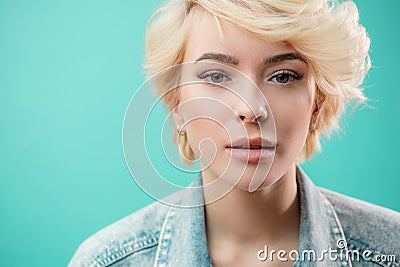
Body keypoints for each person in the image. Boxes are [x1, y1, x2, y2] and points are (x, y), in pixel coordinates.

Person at [68, 0, 400, 266]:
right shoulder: (105, 260)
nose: (251, 108)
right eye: (216, 76)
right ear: (176, 105)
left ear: (317, 105)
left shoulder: (390, 251)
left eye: (283, 76)